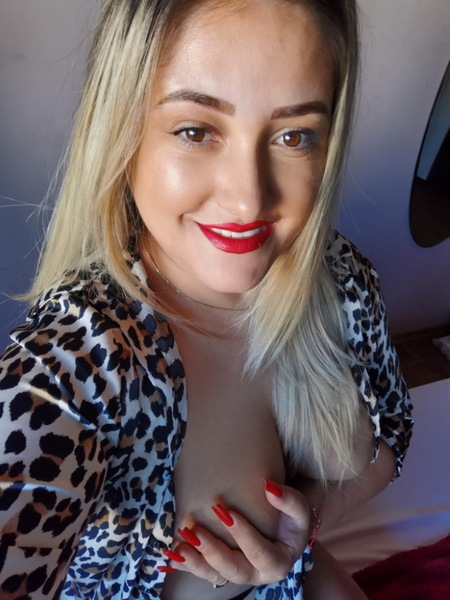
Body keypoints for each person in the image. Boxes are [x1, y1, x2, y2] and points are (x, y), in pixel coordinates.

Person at [0, 0, 413, 598]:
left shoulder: (340, 277)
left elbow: (391, 435)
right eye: (195, 131)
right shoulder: (78, 359)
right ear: (121, 131)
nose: (248, 201)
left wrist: (307, 520)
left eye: (294, 135)